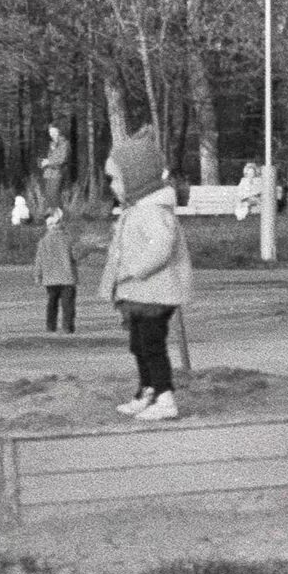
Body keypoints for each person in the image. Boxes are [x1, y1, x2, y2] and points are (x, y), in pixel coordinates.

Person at [101, 126, 193, 419]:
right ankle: (147, 390)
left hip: (155, 293)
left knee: (152, 345)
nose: (112, 185)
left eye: (115, 178)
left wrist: (133, 269)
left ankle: (165, 397)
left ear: (135, 177)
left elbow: (162, 247)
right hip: (141, 294)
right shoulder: (137, 209)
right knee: (139, 344)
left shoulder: (153, 211)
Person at [34, 205, 85, 332]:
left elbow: (39, 261)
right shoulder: (68, 239)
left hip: (50, 278)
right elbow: (76, 256)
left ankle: (50, 327)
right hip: (67, 278)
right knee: (68, 305)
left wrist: (38, 276)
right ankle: (68, 327)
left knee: (52, 304)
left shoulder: (43, 241)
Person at [38, 120, 72, 213]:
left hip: (58, 172)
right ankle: (52, 217)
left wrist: (48, 162)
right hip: (48, 173)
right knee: (48, 195)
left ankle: (58, 217)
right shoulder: (52, 144)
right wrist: (43, 162)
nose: (52, 134)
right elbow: (51, 158)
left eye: (54, 131)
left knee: (54, 195)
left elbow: (62, 159)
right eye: (50, 132)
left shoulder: (65, 143)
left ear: (59, 131)